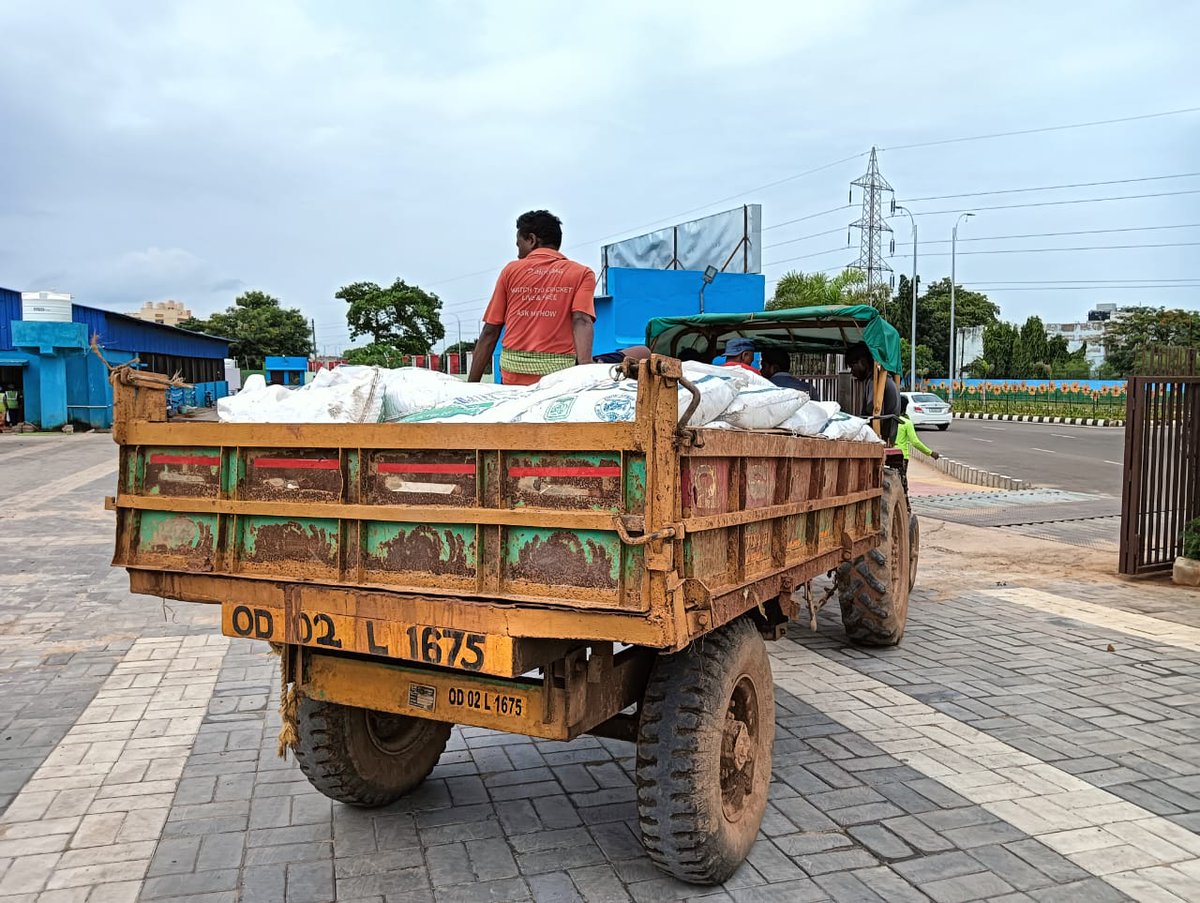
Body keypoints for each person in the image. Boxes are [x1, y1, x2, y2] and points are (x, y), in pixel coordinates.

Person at [469, 210, 596, 386]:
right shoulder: (582, 273)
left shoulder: (510, 271)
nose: (518, 253)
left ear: (531, 239)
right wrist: (586, 374)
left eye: (518, 244)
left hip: (513, 380)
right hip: (558, 381)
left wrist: (471, 386)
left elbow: (490, 331)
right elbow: (581, 320)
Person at [846, 341, 900, 445]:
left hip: (881, 436)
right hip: (888, 435)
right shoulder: (879, 380)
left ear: (863, 361)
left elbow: (871, 410)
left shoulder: (876, 382)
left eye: (852, 366)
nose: (852, 371)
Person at [895, 395, 941, 494]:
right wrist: (930, 453)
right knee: (902, 483)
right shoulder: (906, 423)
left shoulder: (888, 420)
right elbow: (915, 442)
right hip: (901, 456)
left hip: (888, 455)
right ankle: (905, 506)